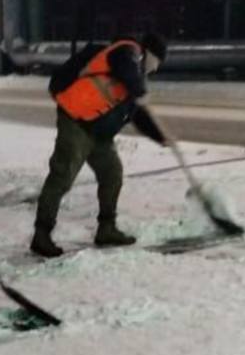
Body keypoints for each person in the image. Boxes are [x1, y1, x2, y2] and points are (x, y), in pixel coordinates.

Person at [30, 32, 168, 257]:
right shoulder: (127, 51)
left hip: (99, 135)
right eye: (158, 62)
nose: (156, 68)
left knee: (112, 174)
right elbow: (124, 68)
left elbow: (138, 115)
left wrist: (161, 137)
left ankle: (107, 229)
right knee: (62, 176)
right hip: (76, 122)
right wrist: (139, 89)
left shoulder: (135, 76)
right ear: (150, 54)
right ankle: (41, 235)